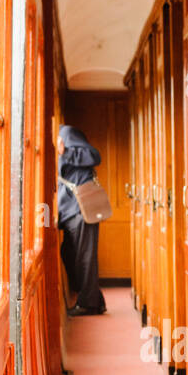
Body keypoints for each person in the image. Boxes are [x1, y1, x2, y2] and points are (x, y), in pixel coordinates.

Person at [56, 124, 107, 315]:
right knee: (70, 254)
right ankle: (94, 298)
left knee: (84, 257)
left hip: (81, 210)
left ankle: (89, 303)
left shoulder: (65, 133)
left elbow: (94, 156)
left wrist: (66, 152)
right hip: (69, 212)